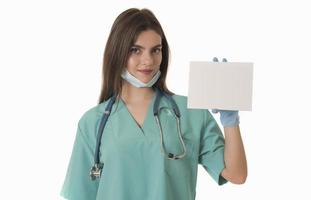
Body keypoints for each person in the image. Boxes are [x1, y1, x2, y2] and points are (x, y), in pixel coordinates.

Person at [60, 8, 247, 200]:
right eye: (135, 50)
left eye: (155, 50)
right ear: (117, 52)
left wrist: (230, 119)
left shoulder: (191, 113)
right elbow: (79, 195)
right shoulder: (93, 122)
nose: (148, 60)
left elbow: (237, 174)